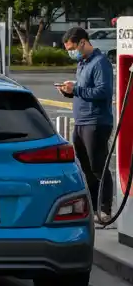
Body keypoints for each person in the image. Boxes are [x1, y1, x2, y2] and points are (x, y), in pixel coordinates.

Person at [58, 26, 113, 223]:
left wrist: (77, 90)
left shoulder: (100, 63)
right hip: (81, 122)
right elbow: (84, 91)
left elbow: (103, 91)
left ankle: (105, 208)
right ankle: (93, 207)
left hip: (95, 122)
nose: (71, 53)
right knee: (86, 168)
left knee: (98, 166)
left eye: (72, 48)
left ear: (82, 42)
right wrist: (69, 91)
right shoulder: (82, 63)